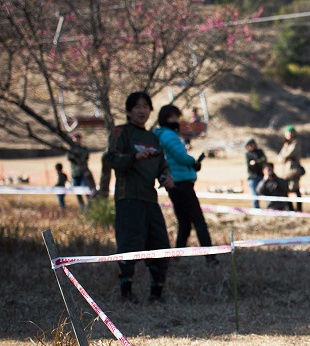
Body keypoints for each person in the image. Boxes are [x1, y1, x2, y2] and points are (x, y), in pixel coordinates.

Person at [108, 92, 175, 304]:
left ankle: (156, 294)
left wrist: (167, 177)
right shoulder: (121, 132)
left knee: (160, 245)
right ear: (128, 111)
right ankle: (125, 293)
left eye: (146, 106)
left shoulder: (153, 138)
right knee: (129, 245)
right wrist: (134, 157)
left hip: (150, 199)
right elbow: (113, 159)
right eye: (137, 106)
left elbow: (162, 165)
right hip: (128, 198)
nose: (142, 110)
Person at [153, 104, 218, 266]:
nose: (175, 120)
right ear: (165, 119)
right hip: (181, 182)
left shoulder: (161, 135)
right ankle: (210, 258)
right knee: (198, 221)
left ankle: (176, 257)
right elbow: (180, 156)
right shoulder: (168, 135)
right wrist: (193, 162)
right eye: (172, 117)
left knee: (184, 223)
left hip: (174, 183)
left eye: (176, 117)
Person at [276, 125, 304, 211]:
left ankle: (299, 209)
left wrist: (284, 157)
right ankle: (290, 208)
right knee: (285, 189)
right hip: (285, 170)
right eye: (288, 133)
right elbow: (279, 157)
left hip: (293, 170)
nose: (289, 135)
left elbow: (289, 153)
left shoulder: (296, 143)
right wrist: (283, 158)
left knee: (295, 189)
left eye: (291, 133)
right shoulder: (286, 144)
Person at [66, 132, 96, 207]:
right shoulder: (70, 150)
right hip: (75, 173)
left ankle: (89, 206)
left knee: (87, 190)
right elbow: (70, 158)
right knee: (77, 192)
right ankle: (82, 206)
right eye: (75, 138)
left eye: (78, 138)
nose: (77, 140)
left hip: (84, 173)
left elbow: (85, 157)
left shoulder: (84, 149)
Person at [245, 137, 267, 209]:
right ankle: (256, 209)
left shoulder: (259, 152)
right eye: (249, 145)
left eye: (252, 144)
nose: (251, 146)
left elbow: (264, 160)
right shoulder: (248, 154)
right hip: (252, 177)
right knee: (254, 195)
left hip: (261, 176)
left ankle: (269, 208)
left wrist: (256, 162)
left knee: (266, 193)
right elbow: (249, 165)